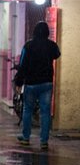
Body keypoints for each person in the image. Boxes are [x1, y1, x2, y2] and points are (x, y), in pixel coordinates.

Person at [14, 21, 60, 150]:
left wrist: (19, 80)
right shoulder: (51, 45)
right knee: (45, 112)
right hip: (46, 83)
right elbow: (57, 54)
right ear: (47, 32)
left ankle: (26, 138)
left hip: (31, 83)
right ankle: (44, 141)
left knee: (27, 110)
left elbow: (22, 64)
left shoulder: (28, 46)